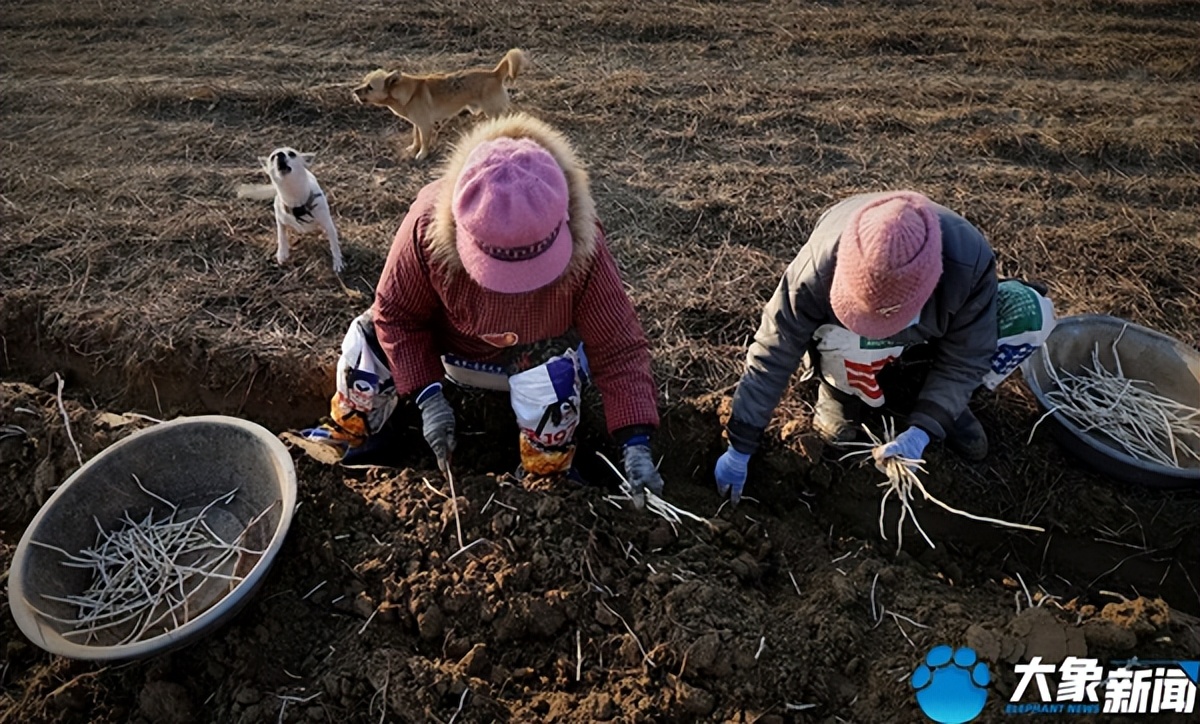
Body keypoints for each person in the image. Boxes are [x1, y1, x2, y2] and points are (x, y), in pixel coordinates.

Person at [307, 113, 664, 507]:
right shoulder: (427, 225)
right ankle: (353, 434)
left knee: (553, 382)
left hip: (531, 357)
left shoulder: (586, 246)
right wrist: (427, 395)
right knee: (367, 340)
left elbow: (618, 346)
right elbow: (396, 313)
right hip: (448, 344)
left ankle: (544, 476)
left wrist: (636, 443)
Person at [713, 191, 1055, 504]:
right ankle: (840, 395)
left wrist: (925, 428)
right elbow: (775, 347)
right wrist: (741, 445)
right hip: (853, 341)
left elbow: (967, 355)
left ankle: (943, 403)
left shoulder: (968, 263)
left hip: (935, 330)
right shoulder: (820, 264)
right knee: (841, 337)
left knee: (1032, 315)